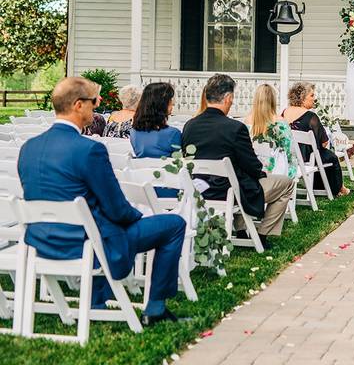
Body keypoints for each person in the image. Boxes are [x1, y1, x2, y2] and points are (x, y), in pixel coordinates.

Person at [18, 77, 187, 325]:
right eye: (93, 101)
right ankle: (156, 307)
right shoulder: (89, 150)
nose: (96, 105)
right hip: (88, 243)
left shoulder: (28, 148)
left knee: (102, 223)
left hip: (41, 240)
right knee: (173, 224)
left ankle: (97, 299)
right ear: (77, 105)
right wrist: (138, 217)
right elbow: (117, 209)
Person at [182, 74, 295, 248]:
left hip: (198, 189)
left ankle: (242, 228)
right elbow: (252, 165)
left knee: (239, 178)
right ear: (227, 98)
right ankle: (263, 235)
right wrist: (261, 171)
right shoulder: (235, 128)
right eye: (232, 98)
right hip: (230, 192)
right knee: (286, 184)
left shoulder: (189, 125)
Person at [282, 81, 348, 197]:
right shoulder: (311, 117)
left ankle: (323, 186)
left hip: (288, 155)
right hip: (307, 157)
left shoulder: (284, 113)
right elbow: (324, 142)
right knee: (331, 157)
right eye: (311, 95)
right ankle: (337, 189)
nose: (314, 99)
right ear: (302, 98)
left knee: (321, 155)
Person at [245, 84, 297, 180]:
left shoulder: (247, 121)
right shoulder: (280, 122)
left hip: (252, 171)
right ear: (273, 101)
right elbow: (291, 151)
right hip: (276, 174)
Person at [130, 82, 182, 159]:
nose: (173, 103)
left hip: (140, 169)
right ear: (162, 104)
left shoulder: (134, 132)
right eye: (170, 100)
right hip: (166, 170)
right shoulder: (173, 133)